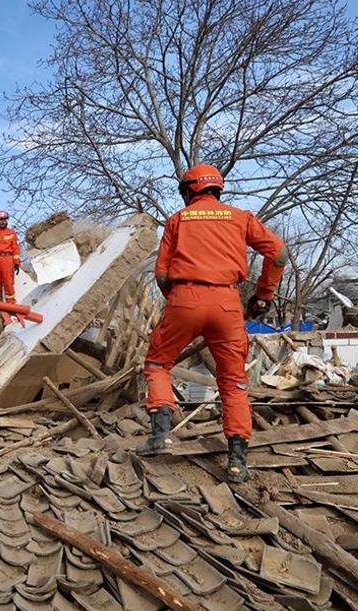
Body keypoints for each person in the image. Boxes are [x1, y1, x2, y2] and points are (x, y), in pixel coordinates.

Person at [137, 164, 287, 483]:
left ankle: (161, 437)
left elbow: (162, 274)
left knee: (157, 364)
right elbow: (278, 254)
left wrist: (178, 302)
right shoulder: (240, 217)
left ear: (189, 190)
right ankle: (237, 462)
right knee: (233, 382)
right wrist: (263, 297)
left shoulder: (178, 220)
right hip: (227, 303)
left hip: (185, 297)